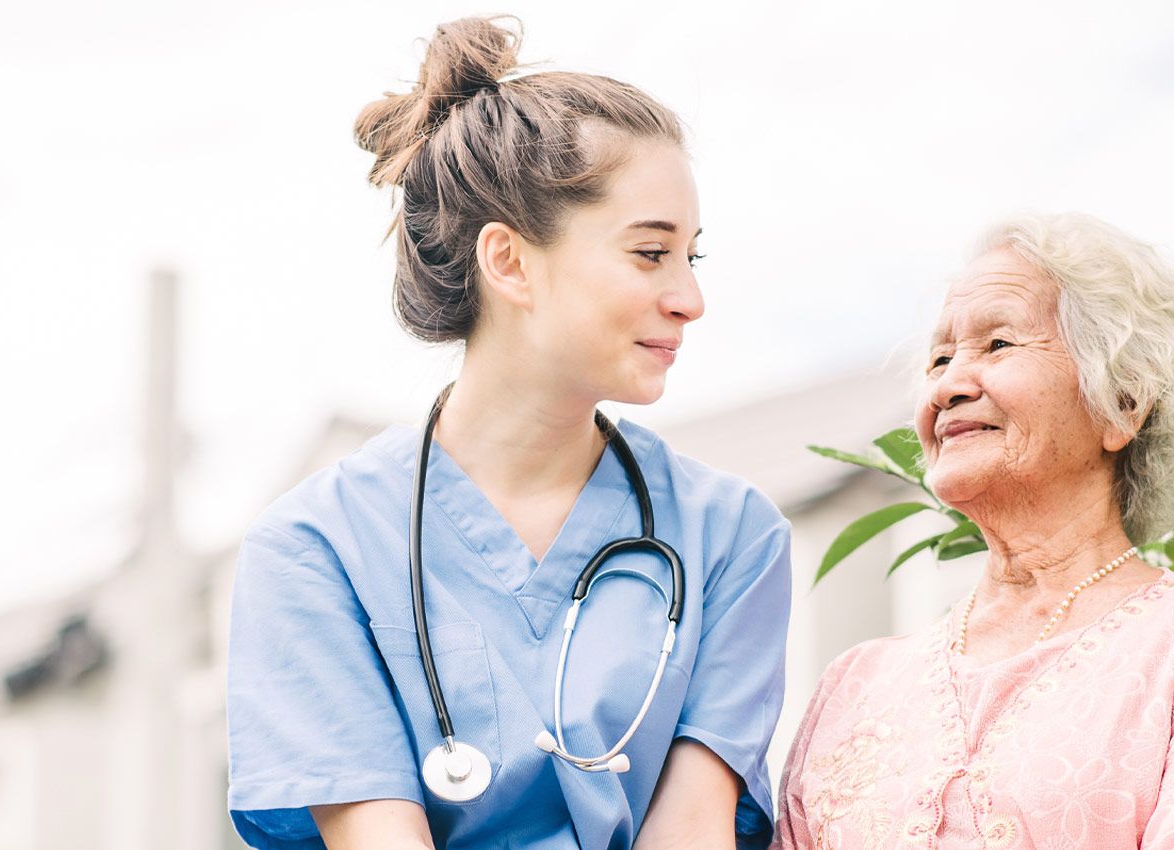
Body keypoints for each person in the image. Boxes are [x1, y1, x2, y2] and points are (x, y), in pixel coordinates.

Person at [225, 16, 792, 850]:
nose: (688, 300)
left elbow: (692, 831)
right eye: (649, 254)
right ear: (509, 262)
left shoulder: (734, 537)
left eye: (690, 260)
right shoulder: (314, 550)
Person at [774, 212, 1174, 849]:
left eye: (999, 345)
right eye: (939, 358)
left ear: (1123, 401)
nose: (949, 385)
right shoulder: (855, 682)